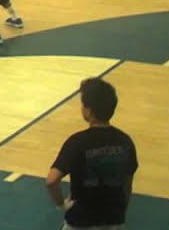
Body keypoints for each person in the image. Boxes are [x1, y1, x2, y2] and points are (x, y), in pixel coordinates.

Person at [46, 78, 137, 230]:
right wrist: (119, 211)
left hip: (80, 221)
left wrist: (61, 204)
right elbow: (127, 184)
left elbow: (51, 181)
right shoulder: (125, 141)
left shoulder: (77, 142)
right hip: (113, 219)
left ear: (89, 110)